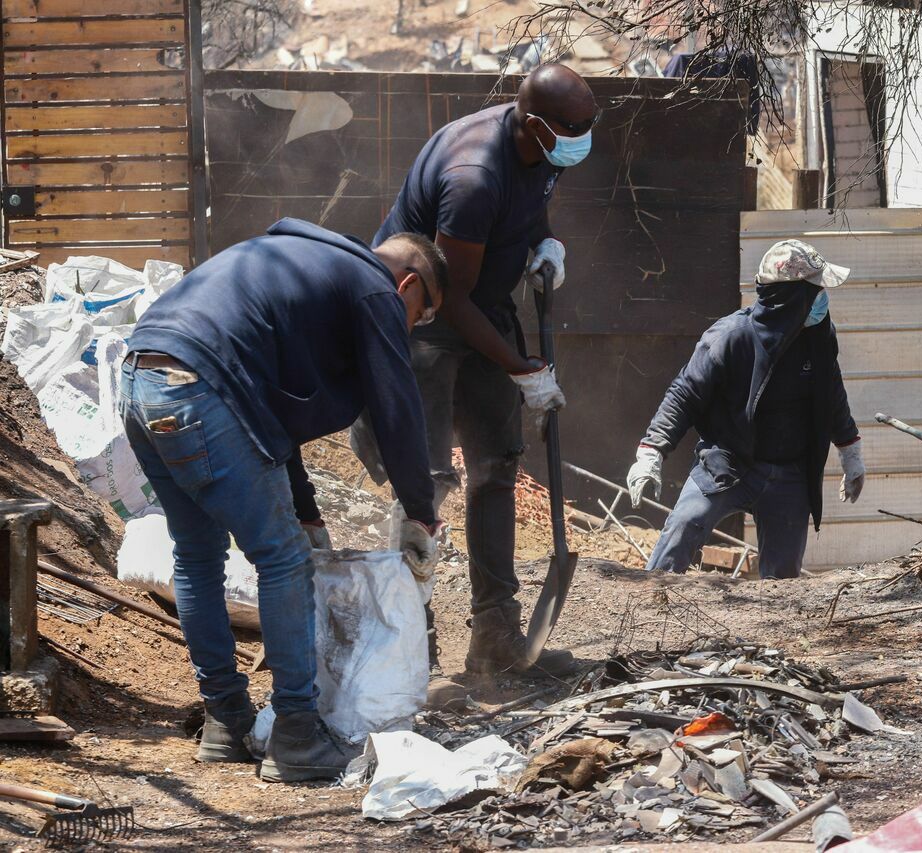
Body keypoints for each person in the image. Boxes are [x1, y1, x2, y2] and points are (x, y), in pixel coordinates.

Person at [122, 218, 447, 783]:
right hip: (203, 388)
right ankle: (296, 732)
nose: (409, 328)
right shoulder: (375, 287)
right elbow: (397, 407)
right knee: (285, 562)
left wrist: (305, 509)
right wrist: (421, 510)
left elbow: (272, 411)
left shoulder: (298, 262)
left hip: (141, 378)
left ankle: (226, 723)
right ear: (410, 286)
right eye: (420, 316)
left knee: (197, 558)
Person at [367, 62, 598, 676]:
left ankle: (494, 636)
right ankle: (411, 642)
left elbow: (529, 211)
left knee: (496, 467)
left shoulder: (546, 149)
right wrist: (522, 369)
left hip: (480, 312)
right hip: (427, 323)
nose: (586, 136)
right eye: (576, 127)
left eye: (589, 124)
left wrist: (546, 245)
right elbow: (453, 299)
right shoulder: (473, 177)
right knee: (429, 482)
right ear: (536, 125)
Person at [625, 239, 866, 579]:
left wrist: (850, 452)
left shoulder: (818, 336)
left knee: (782, 584)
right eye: (817, 289)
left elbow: (832, 393)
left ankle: (775, 633)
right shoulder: (732, 336)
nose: (824, 297)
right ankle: (648, 600)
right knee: (682, 528)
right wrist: (651, 453)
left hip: (789, 474)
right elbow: (685, 394)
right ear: (791, 296)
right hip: (728, 464)